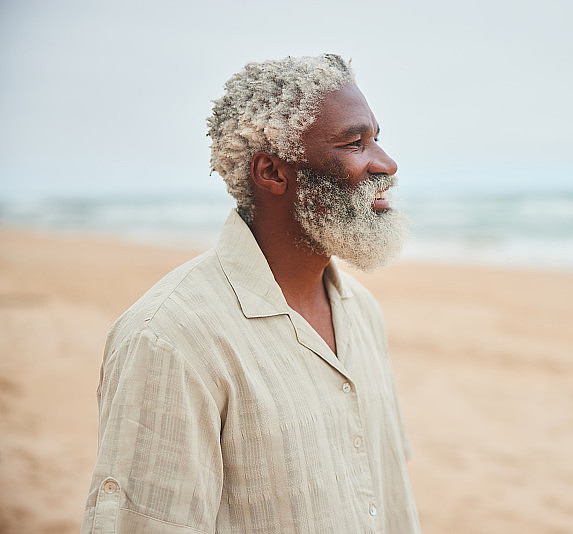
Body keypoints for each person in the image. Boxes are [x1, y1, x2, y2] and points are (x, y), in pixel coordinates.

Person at [81, 54, 420, 533]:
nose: (386, 163)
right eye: (354, 143)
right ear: (273, 173)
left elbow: (386, 494)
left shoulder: (361, 311)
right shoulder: (169, 340)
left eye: (377, 138)